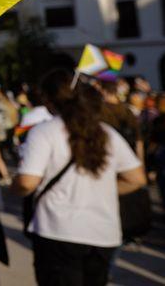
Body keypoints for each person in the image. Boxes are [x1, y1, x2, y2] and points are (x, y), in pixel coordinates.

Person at [13, 70, 145, 286]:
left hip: (57, 232)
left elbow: (27, 182)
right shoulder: (105, 132)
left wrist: (14, 186)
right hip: (103, 234)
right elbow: (136, 178)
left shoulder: (45, 131)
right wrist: (104, 189)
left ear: (48, 99)